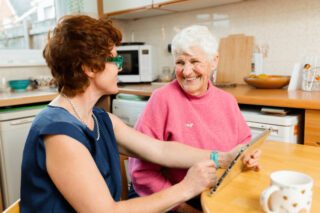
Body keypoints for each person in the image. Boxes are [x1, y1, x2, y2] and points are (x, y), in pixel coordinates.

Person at [20, 16, 260, 213]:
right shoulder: (60, 134)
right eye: (115, 59)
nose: (120, 67)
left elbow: (160, 150)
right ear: (90, 68)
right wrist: (186, 189)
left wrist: (224, 157)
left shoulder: (101, 119)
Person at [128, 25, 256, 212]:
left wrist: (248, 157)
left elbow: (243, 147)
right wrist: (184, 208)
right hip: (171, 200)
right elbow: (142, 173)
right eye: (180, 62)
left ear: (214, 61)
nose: (187, 72)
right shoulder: (162, 99)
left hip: (216, 197)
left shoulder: (227, 100)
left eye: (195, 61)